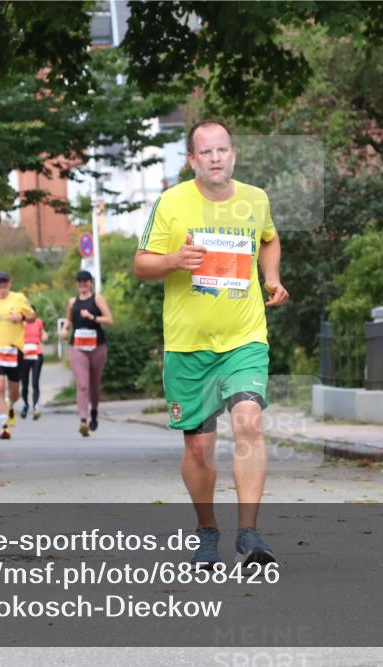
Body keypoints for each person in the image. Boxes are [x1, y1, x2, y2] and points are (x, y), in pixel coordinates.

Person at [133, 120, 289, 569]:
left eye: (223, 150)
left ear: (233, 155)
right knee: (199, 448)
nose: (216, 158)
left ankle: (250, 533)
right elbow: (142, 265)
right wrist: (174, 260)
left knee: (248, 421)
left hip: (244, 338)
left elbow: (269, 237)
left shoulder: (255, 199)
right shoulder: (172, 203)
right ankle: (207, 531)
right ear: (192, 160)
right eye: (207, 152)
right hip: (188, 346)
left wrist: (271, 277)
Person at [0, 271, 35, 439]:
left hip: (14, 350)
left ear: (10, 283)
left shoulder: (18, 298)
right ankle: (4, 426)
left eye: (5, 282)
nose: (2, 286)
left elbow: (32, 316)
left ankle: (11, 405)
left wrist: (21, 316)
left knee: (14, 392)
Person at [60, 270, 113, 436]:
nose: (82, 284)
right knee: (82, 384)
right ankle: (83, 420)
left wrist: (92, 317)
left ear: (91, 283)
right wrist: (64, 329)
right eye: (79, 281)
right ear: (76, 284)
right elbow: (69, 318)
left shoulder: (97, 298)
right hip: (77, 346)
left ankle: (94, 412)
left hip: (97, 346)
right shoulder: (72, 302)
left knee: (93, 385)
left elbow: (109, 320)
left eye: (85, 281)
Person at [19, 306, 49, 420]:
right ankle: (26, 404)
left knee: (35, 382)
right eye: (29, 313)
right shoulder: (20, 324)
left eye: (33, 313)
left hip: (36, 355)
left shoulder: (39, 322)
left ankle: (36, 406)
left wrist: (45, 336)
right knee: (25, 384)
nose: (32, 315)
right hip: (24, 356)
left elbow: (42, 333)